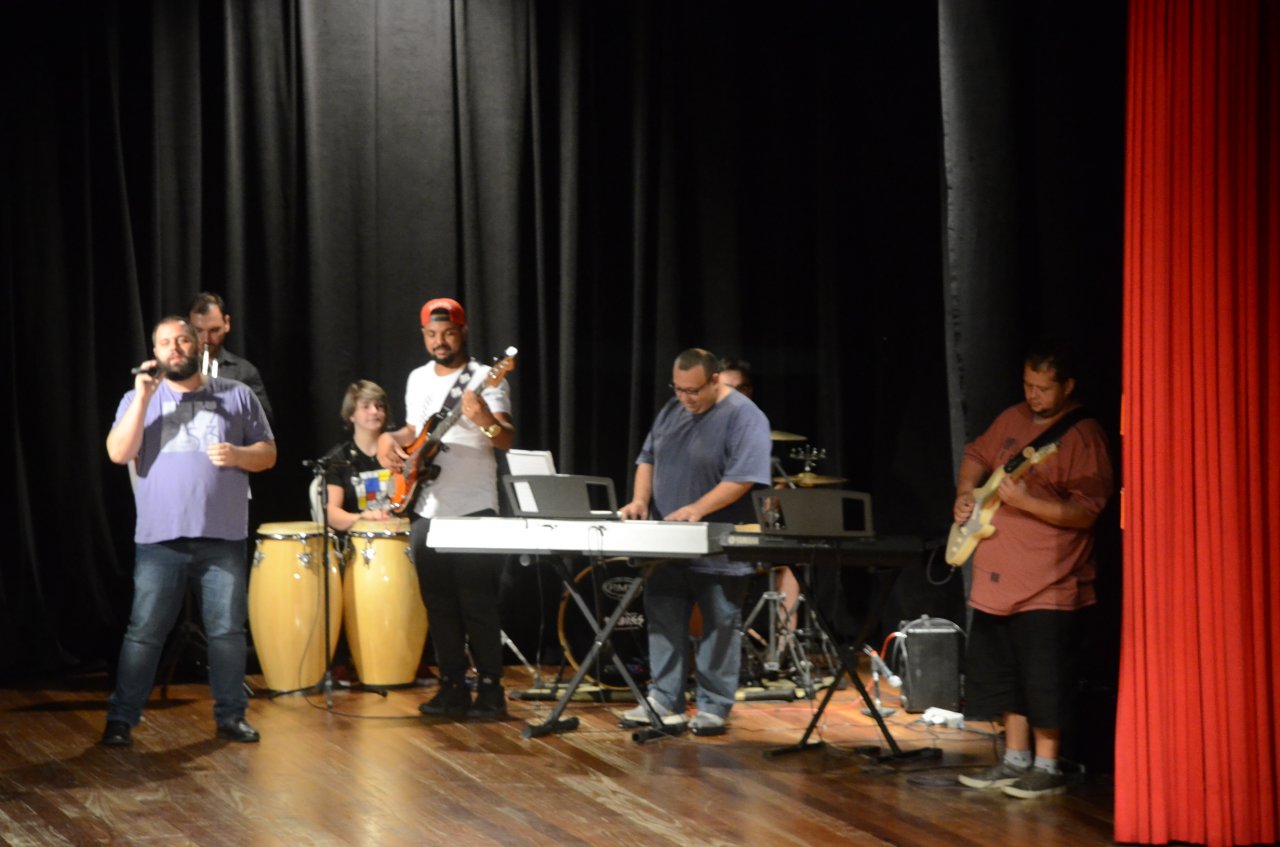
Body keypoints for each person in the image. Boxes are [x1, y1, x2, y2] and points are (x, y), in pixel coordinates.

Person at [101, 316, 276, 747]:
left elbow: (268, 454)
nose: (175, 348)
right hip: (160, 539)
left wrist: (238, 454)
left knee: (227, 633)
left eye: (182, 340)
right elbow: (118, 452)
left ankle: (231, 716)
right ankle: (122, 719)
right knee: (144, 633)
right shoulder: (136, 397)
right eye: (165, 343)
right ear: (155, 352)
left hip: (222, 537)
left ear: (198, 345)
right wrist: (144, 398)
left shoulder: (236, 395)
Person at [953, 341, 1113, 798]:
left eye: (1043, 388)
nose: (1034, 395)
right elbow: (977, 456)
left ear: (1068, 386)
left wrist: (1027, 502)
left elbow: (1087, 512)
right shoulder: (1011, 418)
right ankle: (1014, 759)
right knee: (1006, 673)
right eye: (1028, 385)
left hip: (1050, 581)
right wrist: (966, 492)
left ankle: (1047, 765)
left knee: (1044, 677)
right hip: (997, 578)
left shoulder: (1083, 437)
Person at [618, 348, 772, 735]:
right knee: (663, 618)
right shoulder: (673, 410)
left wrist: (697, 508)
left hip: (721, 544)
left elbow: (743, 478)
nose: (685, 397)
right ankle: (664, 699)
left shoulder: (745, 417)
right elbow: (647, 458)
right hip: (669, 543)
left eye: (693, 390)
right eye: (679, 389)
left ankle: (714, 705)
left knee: (719, 624)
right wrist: (640, 500)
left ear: (715, 379)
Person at [377, 297, 514, 720]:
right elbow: (416, 431)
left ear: (463, 331)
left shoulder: (487, 379)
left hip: (474, 506)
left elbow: (505, 438)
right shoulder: (417, 378)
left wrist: (484, 417)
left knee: (477, 602)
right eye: (432, 335)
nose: (440, 341)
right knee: (437, 603)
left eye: (448, 333)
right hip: (427, 505)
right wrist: (389, 439)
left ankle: (491, 689)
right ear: (424, 336)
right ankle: (452, 686)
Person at [187, 292, 274, 422]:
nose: (206, 339)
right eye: (198, 330)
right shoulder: (176, 368)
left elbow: (264, 421)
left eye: (214, 330)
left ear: (226, 323)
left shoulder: (245, 371)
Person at [324, 380, 395, 532]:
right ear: (351, 415)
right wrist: (361, 518)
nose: (374, 411)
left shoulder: (399, 451)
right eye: (366, 406)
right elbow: (332, 514)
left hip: (397, 535)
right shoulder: (339, 459)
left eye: (379, 406)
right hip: (358, 542)